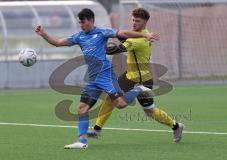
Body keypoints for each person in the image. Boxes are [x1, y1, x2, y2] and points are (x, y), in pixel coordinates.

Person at [35, 8, 159, 149]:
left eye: (84, 23)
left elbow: (122, 33)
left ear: (91, 21)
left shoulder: (102, 32)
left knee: (120, 104)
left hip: (106, 76)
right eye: (80, 23)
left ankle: (139, 89)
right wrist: (43, 34)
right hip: (93, 80)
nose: (82, 26)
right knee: (82, 108)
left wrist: (143, 36)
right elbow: (57, 42)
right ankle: (82, 142)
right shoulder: (79, 36)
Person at [87, 8, 184, 143]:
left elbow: (115, 50)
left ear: (145, 22)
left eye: (137, 21)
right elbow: (124, 36)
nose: (134, 23)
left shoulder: (139, 40)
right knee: (110, 98)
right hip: (129, 77)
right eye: (133, 20)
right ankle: (97, 129)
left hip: (142, 81)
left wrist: (97, 47)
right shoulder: (140, 35)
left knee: (149, 111)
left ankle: (176, 126)